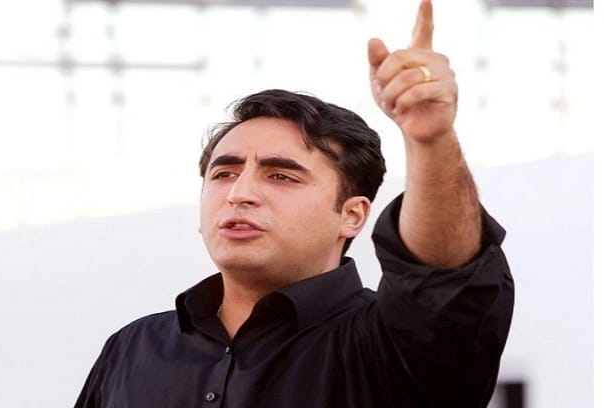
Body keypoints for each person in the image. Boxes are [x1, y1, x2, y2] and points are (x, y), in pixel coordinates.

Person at [75, 1, 514, 407]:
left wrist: (431, 140)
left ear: (352, 215)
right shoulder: (133, 347)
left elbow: (444, 279)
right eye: (224, 174)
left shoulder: (391, 345)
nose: (240, 193)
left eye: (281, 176)